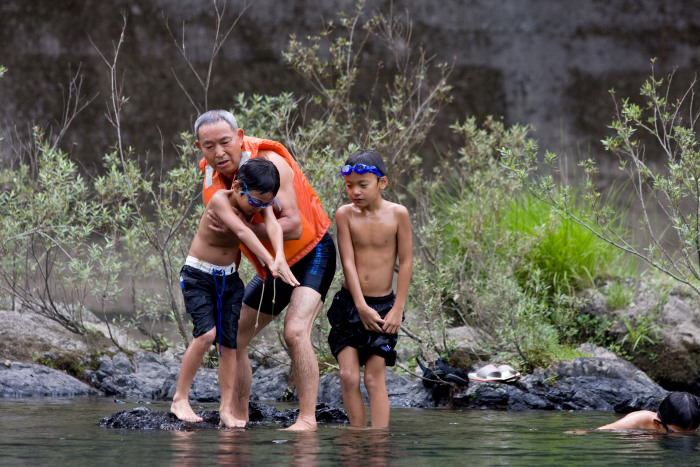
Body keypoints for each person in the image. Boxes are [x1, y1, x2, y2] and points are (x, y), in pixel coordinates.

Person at [195, 110, 336, 431]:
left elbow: (294, 225)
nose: (218, 152)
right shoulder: (212, 177)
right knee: (232, 338)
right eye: (209, 146)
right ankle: (238, 416)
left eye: (225, 142)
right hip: (271, 268)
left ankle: (307, 420)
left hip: (311, 252)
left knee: (295, 331)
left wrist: (238, 228)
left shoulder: (270, 161)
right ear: (199, 147)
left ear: (240, 136)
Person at [170, 158, 299, 428]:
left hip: (228, 279)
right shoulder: (220, 200)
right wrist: (269, 260)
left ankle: (227, 409)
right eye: (256, 202)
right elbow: (242, 231)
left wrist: (279, 257)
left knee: (230, 345)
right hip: (198, 275)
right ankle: (180, 398)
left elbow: (273, 223)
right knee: (206, 334)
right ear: (238, 185)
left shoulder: (259, 201)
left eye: (265, 203)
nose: (260, 208)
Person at [327, 149, 413, 428]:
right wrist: (361, 306)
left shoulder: (398, 214)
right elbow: (348, 262)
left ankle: (377, 445)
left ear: (382, 183)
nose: (355, 192)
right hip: (351, 305)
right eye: (350, 186)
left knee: (374, 378)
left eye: (363, 185)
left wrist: (398, 309)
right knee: (348, 376)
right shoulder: (345, 215)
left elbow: (407, 261)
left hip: (384, 307)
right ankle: (356, 439)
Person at [597, 391, 700, 432]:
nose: (684, 440)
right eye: (675, 434)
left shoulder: (690, 423)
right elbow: (599, 431)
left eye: (692, 433)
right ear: (657, 424)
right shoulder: (636, 421)